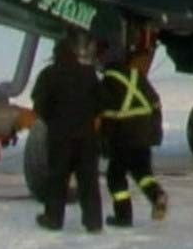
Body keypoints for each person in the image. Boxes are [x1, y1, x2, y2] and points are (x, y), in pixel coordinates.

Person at [31, 33, 103, 232]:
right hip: (87, 137)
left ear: (56, 55)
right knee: (88, 179)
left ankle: (53, 219)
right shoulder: (89, 74)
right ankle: (94, 222)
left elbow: (39, 106)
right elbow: (100, 103)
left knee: (57, 179)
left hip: (60, 136)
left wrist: (53, 121)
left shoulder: (48, 75)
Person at [98, 47, 168, 226]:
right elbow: (154, 102)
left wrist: (103, 142)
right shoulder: (137, 76)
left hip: (124, 137)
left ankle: (123, 216)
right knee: (142, 173)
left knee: (115, 177)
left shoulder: (108, 82)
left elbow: (105, 113)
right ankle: (156, 194)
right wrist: (154, 133)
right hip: (144, 134)